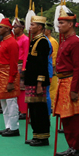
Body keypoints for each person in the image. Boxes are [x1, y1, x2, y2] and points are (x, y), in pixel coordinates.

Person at [53, 10, 79, 156]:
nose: (58, 25)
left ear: (70, 24)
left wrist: (74, 89)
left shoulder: (75, 42)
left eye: (61, 23)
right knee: (65, 118)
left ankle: (78, 149)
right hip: (63, 81)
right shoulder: (65, 40)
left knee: (75, 119)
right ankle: (71, 146)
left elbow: (77, 67)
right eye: (59, 22)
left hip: (72, 82)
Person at [24, 16, 51, 146]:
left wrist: (40, 83)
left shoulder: (43, 42)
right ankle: (36, 134)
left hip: (38, 81)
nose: (30, 27)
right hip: (31, 80)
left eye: (33, 25)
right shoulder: (33, 40)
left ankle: (43, 136)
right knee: (33, 108)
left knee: (39, 109)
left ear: (40, 27)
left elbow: (42, 64)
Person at [0, 18, 20, 137]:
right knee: (3, 102)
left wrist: (11, 80)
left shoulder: (12, 42)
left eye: (0, 27)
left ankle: (14, 127)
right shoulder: (3, 41)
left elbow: (13, 63)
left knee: (11, 102)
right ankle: (8, 126)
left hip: (8, 74)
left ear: (7, 28)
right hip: (0, 75)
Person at [13, 18, 30, 120]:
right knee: (17, 88)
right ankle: (19, 109)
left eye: (16, 27)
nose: (14, 29)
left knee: (22, 88)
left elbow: (26, 54)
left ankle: (23, 111)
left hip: (21, 65)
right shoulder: (16, 39)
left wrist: (24, 67)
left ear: (21, 28)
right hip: (15, 64)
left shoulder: (25, 39)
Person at [45, 23, 59, 114]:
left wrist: (53, 67)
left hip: (51, 68)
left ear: (49, 31)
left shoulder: (52, 41)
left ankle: (52, 106)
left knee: (52, 88)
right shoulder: (46, 40)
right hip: (48, 67)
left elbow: (53, 56)